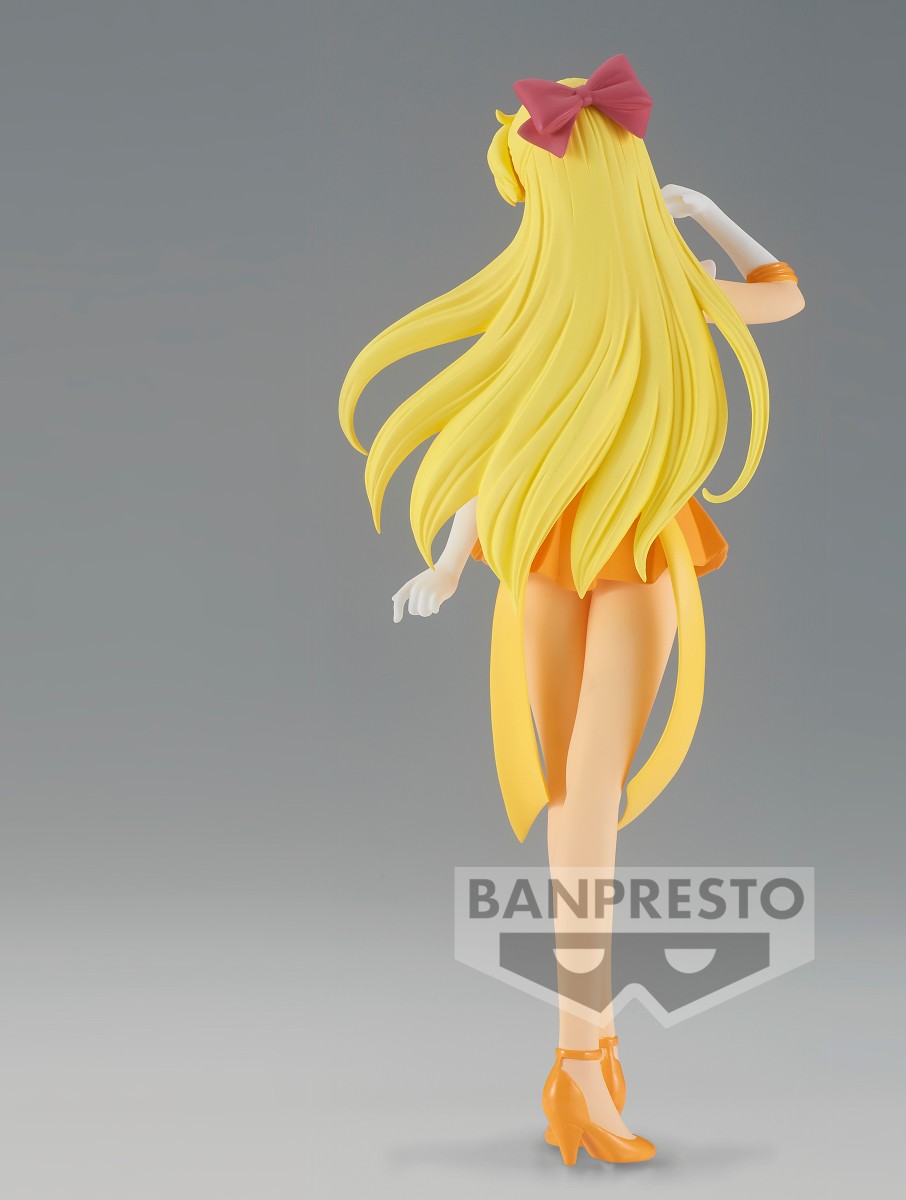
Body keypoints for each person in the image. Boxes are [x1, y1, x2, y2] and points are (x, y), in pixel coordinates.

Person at [338, 53, 805, 1166]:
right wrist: (452, 560)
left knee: (583, 798)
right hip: (564, 552)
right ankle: (582, 1061)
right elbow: (509, 453)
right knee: (571, 799)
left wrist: (700, 215)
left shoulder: (656, 293)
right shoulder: (598, 301)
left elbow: (783, 300)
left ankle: (581, 1061)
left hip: (621, 551)